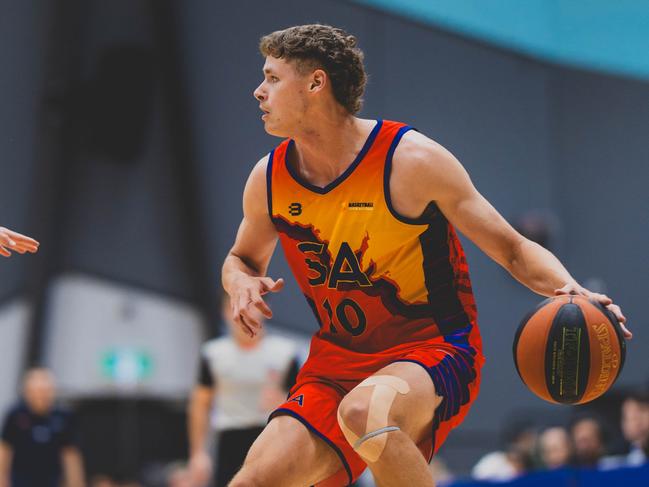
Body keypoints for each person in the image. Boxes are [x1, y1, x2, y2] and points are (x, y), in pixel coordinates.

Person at [221, 24, 631, 487]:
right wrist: (239, 280)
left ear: (316, 83)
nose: (258, 91)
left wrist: (572, 290)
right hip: (336, 361)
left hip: (434, 349)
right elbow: (241, 258)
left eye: (272, 78)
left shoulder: (410, 160)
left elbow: (513, 248)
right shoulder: (269, 179)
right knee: (252, 481)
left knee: (364, 412)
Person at [187, 293, 299, 487]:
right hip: (229, 439)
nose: (243, 313)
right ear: (224, 312)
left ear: (265, 310)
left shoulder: (285, 353)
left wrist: (284, 401)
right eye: (235, 306)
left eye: (251, 306)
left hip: (270, 437)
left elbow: (303, 402)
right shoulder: (213, 354)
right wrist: (198, 453)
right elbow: (200, 404)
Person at [0, 368, 85, 487]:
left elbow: (70, 455)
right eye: (37, 391)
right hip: (20, 481)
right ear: (27, 392)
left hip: (51, 481)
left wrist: (76, 483)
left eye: (45, 391)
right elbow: (5, 450)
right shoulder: (15, 415)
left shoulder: (64, 417)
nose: (41, 396)